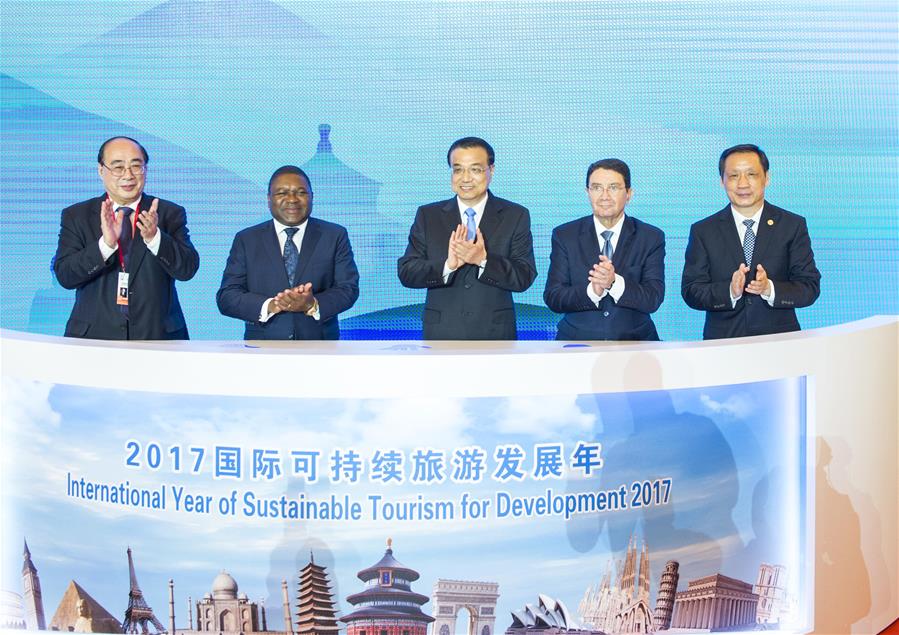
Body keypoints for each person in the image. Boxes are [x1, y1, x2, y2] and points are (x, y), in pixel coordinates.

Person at [53, 136, 199, 340]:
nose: (128, 175)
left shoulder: (168, 213)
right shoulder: (77, 215)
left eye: (136, 166)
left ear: (145, 170)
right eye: (118, 167)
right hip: (94, 338)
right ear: (101, 170)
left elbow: (187, 270)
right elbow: (65, 276)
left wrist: (155, 238)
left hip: (158, 337)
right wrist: (105, 245)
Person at [397, 137, 537, 339]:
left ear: (491, 170)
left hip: (495, 334)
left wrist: (483, 261)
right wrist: (447, 266)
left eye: (475, 169)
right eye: (458, 169)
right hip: (441, 334)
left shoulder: (515, 215)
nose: (466, 178)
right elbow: (407, 273)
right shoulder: (428, 215)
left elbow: (524, 277)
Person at [682, 144, 820, 339]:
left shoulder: (791, 225)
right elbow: (691, 291)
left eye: (751, 174)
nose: (743, 184)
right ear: (722, 181)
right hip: (723, 345)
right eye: (734, 176)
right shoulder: (703, 230)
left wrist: (769, 288)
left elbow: (809, 287)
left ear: (767, 178)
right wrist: (729, 291)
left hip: (780, 342)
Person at [217, 165, 359, 340]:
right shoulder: (246, 239)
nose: (292, 199)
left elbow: (348, 289)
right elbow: (227, 297)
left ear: (312, 197)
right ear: (269, 199)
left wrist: (312, 304)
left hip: (320, 347)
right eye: (282, 193)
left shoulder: (334, 235)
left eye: (300, 192)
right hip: (262, 350)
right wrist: (272, 305)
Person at [544, 158, 665, 340]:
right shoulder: (564, 235)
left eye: (614, 188)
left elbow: (653, 298)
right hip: (577, 343)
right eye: (597, 188)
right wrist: (592, 291)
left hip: (636, 344)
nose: (605, 196)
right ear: (588, 193)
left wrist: (614, 283)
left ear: (629, 193)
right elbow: (554, 297)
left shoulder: (650, 237)